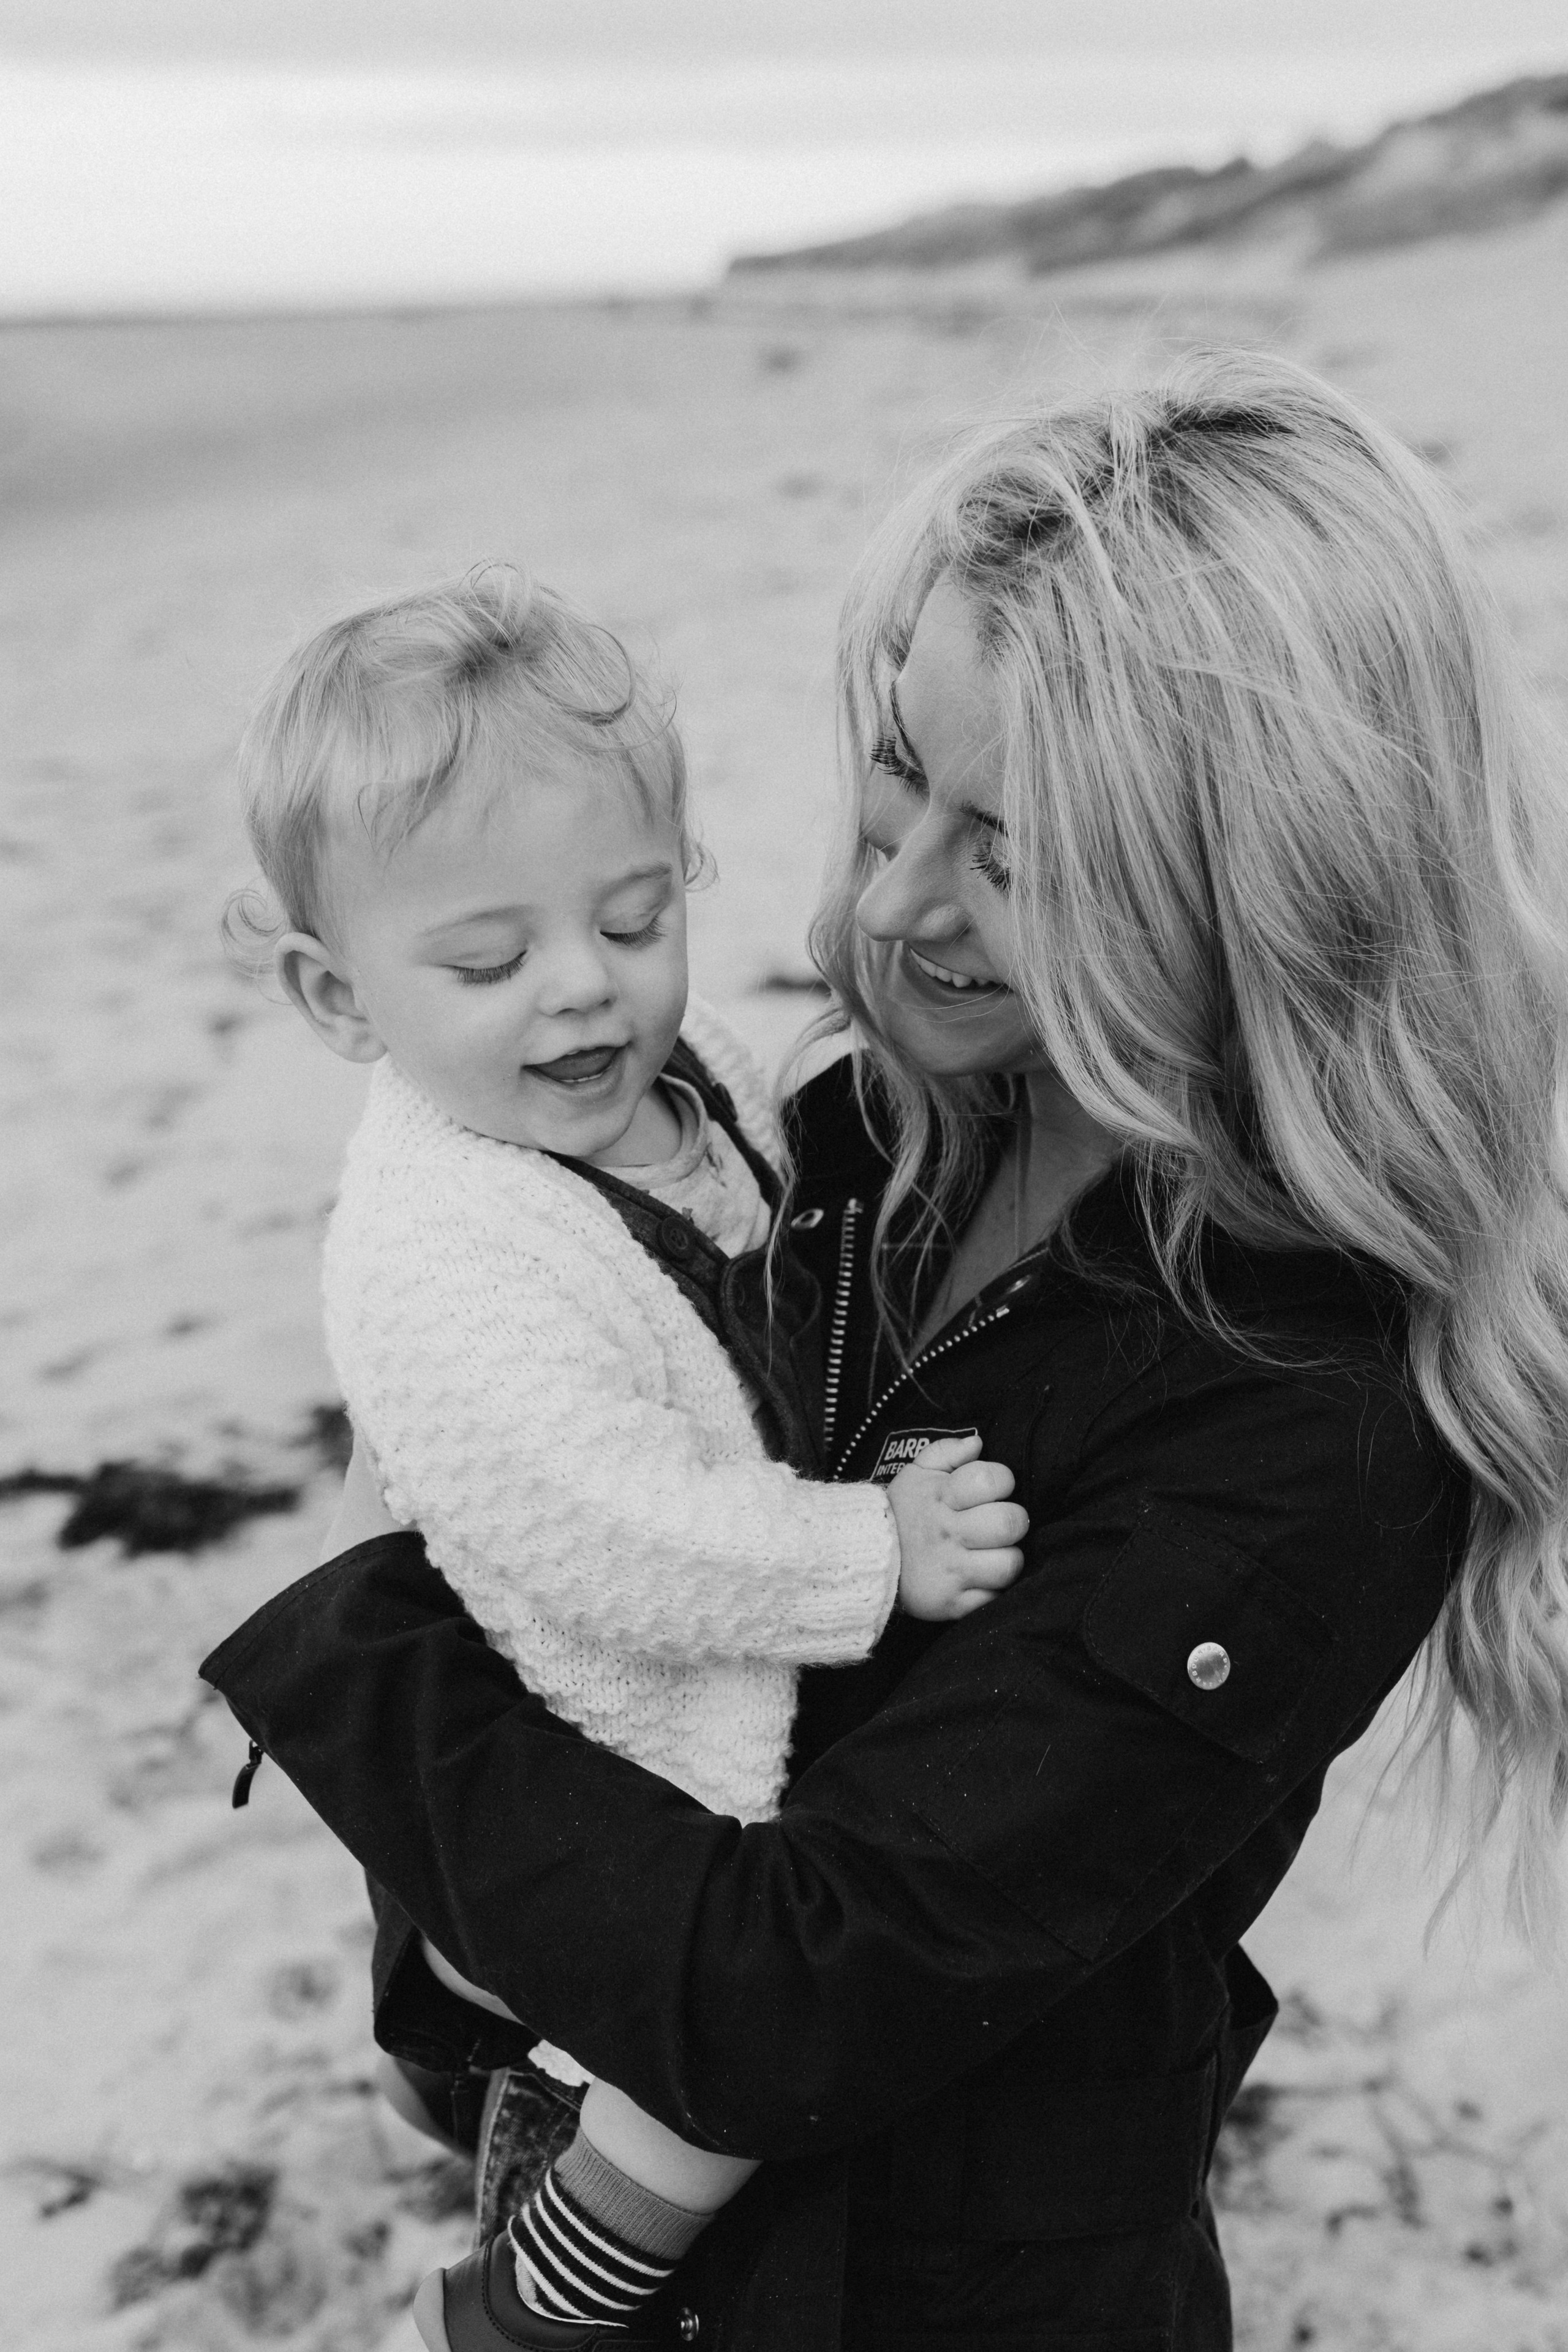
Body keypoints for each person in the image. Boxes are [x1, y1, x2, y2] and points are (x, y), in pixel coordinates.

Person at [204, 352, 1568, 2351]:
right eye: (903, 770)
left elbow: (786, 1998)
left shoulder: (1303, 1419)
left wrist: (356, 1640)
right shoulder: (858, 1136)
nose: (897, 896)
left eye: (1019, 854)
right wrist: (449, 1999)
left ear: (1244, 883)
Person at [221, 565, 1028, 2348]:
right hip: (617, 1734)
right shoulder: (443, 1248)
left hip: (708, 1663)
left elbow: (773, 1216)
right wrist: (863, 1556)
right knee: (690, 2066)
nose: (585, 991)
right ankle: (544, 2292)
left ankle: (454, 2103)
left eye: (637, 916)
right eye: (490, 962)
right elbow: (610, 1530)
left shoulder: (677, 1084)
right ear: (336, 995)